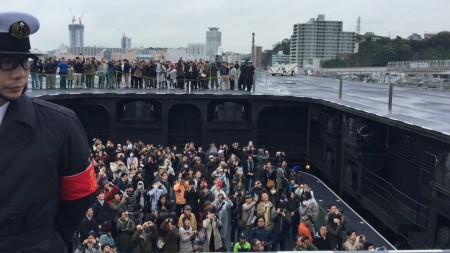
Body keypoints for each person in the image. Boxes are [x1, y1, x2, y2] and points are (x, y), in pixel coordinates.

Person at [0, 12, 98, 253]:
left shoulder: (60, 123)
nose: (20, 73)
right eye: (7, 62)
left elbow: (81, 192)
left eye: (25, 62)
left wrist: (49, 240)